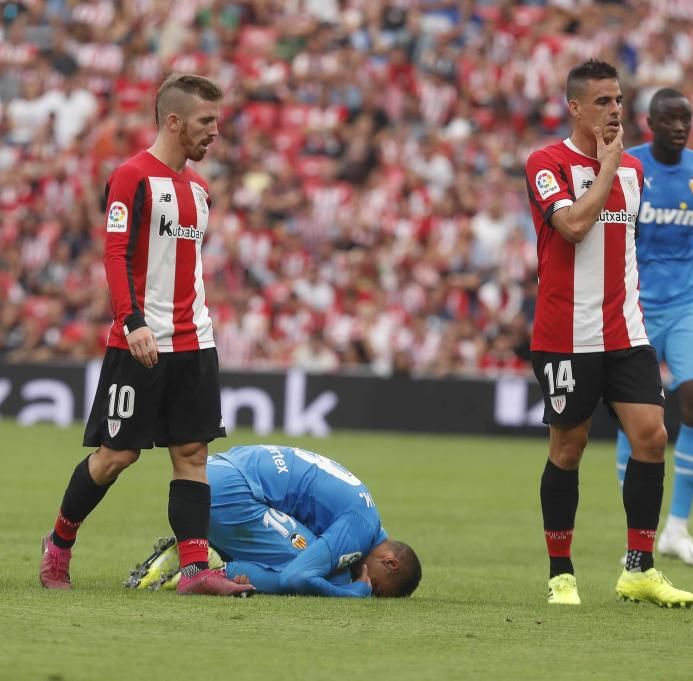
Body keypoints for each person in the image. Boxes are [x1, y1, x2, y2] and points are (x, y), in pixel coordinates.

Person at [39, 74, 254, 597]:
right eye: (207, 122)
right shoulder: (132, 177)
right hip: (141, 341)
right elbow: (115, 254)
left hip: (194, 341)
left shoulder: (200, 190)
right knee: (117, 456)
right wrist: (132, 321)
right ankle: (59, 544)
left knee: (193, 452)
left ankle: (196, 571)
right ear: (174, 122)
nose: (215, 132)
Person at [524, 59, 693, 608]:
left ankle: (639, 568)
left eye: (619, 101)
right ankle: (561, 574)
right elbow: (573, 228)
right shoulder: (545, 163)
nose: (615, 111)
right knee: (568, 447)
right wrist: (605, 167)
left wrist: (615, 165)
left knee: (651, 435)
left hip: (625, 330)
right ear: (575, 107)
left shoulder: (633, 172)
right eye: (602, 102)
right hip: (566, 334)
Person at [614, 88, 693, 567]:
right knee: (637, 418)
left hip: (685, 304)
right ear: (650, 123)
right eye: (671, 119)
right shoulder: (628, 167)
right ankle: (636, 536)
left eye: (687, 118)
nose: (681, 126)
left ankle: (677, 528)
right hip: (633, 305)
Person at [124, 445, 421, 598]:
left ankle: (194, 553)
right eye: (378, 590)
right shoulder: (362, 527)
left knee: (312, 558)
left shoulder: (364, 507)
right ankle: (204, 570)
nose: (369, 586)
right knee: (329, 575)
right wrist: (353, 592)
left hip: (204, 475)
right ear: (390, 563)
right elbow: (296, 578)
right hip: (232, 493)